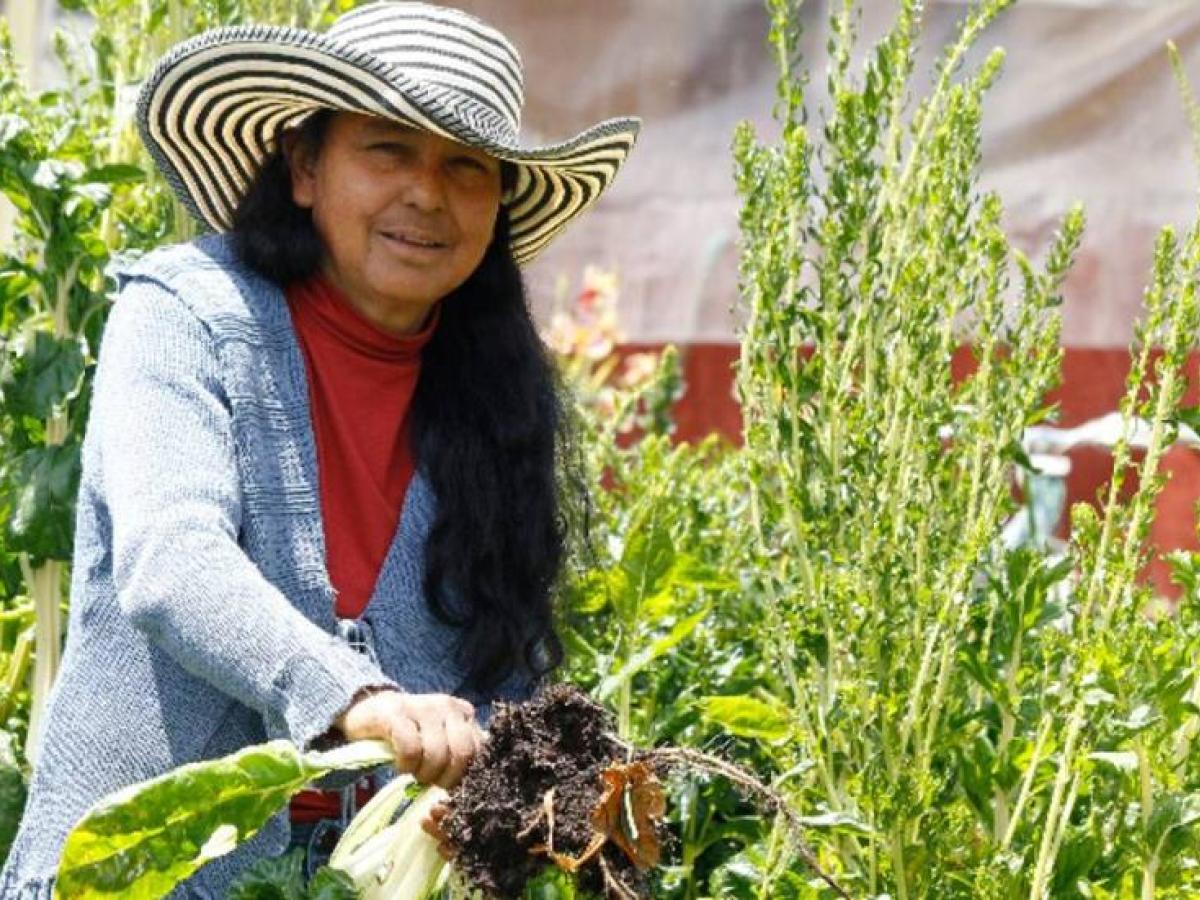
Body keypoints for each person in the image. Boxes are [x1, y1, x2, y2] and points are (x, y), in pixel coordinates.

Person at [0, 2, 638, 895]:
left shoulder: (491, 401)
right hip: (138, 878)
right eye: (388, 150)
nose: (427, 192)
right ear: (304, 167)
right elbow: (170, 558)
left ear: (498, 206)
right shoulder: (185, 314)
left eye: (466, 166)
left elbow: (495, 674)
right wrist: (354, 697)